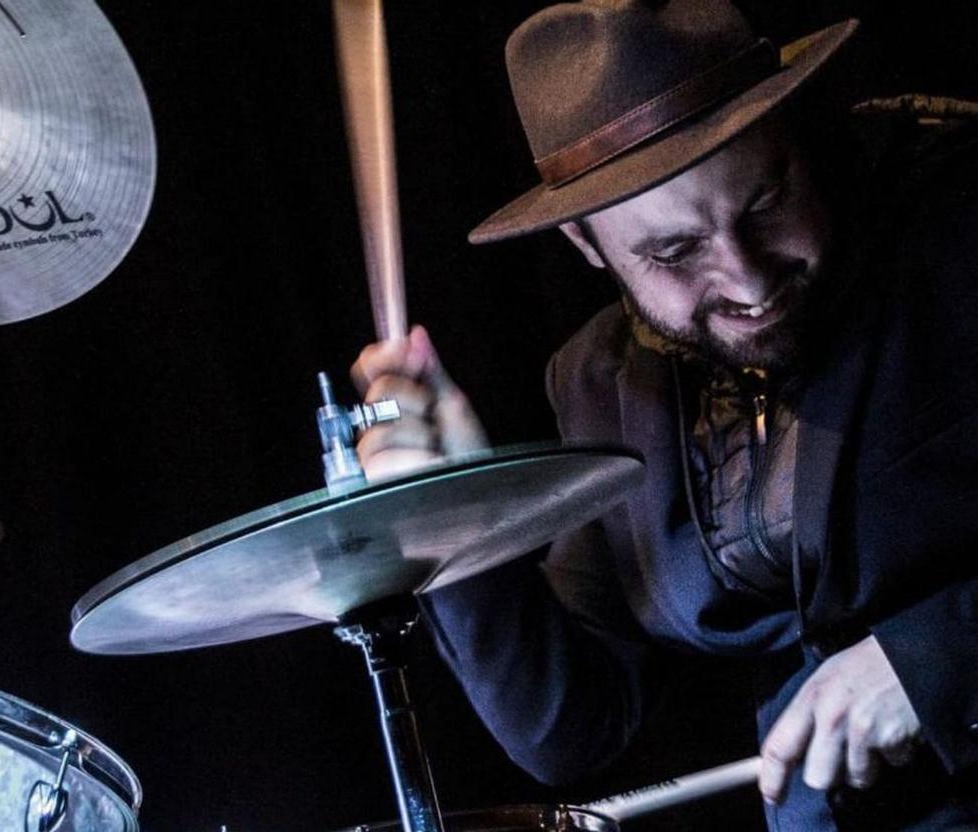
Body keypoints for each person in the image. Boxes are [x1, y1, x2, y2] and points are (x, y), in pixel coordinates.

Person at [350, 2, 978, 829]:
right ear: (584, 242)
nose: (748, 280)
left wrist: (931, 662)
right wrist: (454, 515)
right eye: (674, 251)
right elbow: (571, 727)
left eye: (765, 203)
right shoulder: (601, 381)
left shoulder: (954, 224)